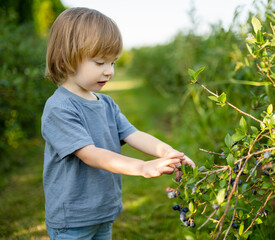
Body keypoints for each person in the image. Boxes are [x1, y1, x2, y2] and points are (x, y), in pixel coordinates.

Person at [41, 7, 195, 240]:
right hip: (72, 219)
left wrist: (169, 152)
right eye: (100, 62)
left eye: (113, 62)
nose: (109, 71)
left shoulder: (107, 104)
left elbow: (134, 134)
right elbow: (90, 154)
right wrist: (142, 167)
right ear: (66, 58)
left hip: (104, 211)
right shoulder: (60, 108)